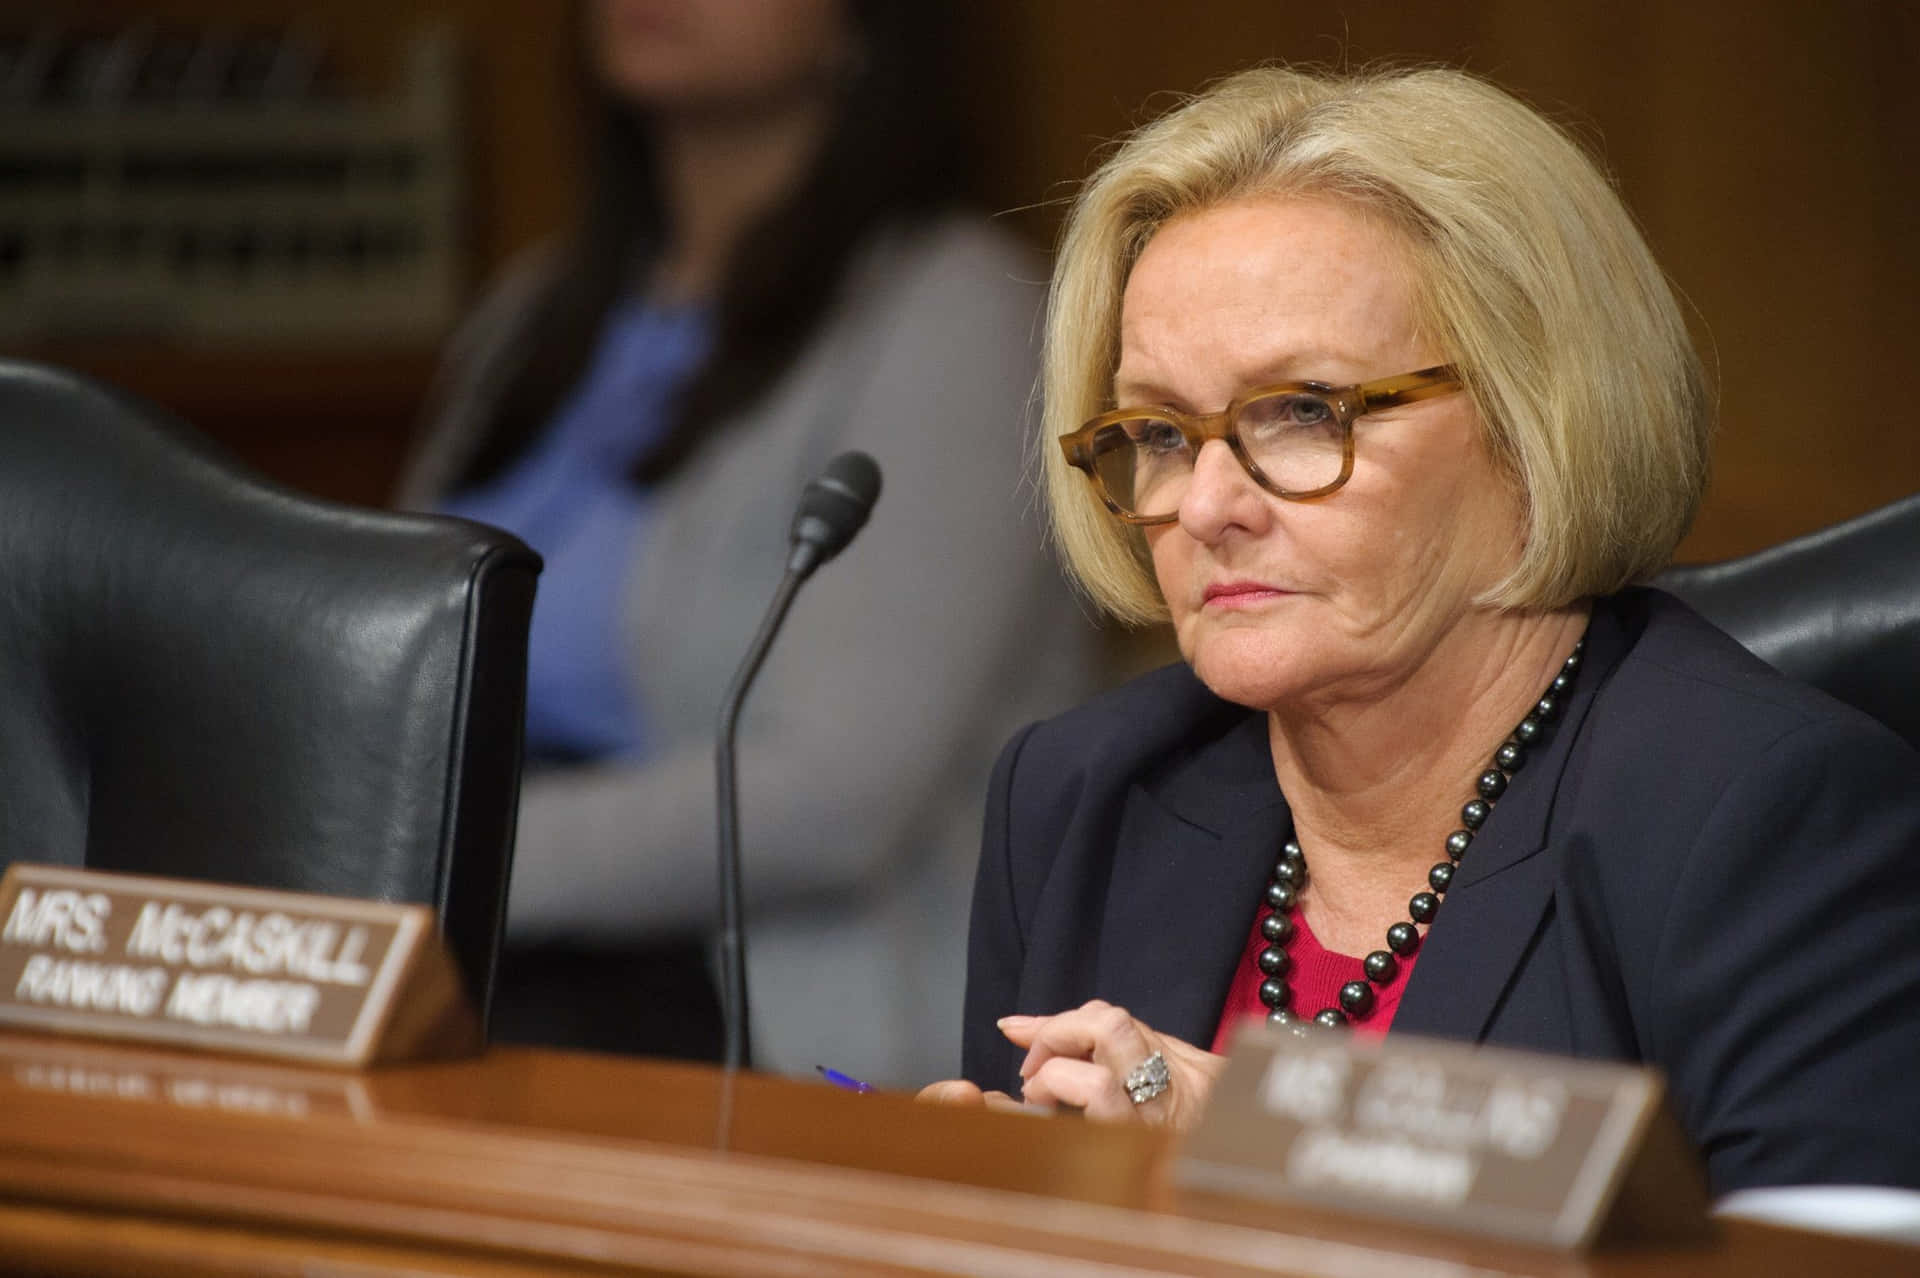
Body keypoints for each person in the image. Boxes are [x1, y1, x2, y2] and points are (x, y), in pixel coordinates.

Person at [923, 65, 1920, 1195]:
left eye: (1302, 412)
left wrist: (1261, 1141)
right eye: (1158, 431)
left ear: (1534, 419)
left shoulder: (1770, 821)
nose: (1206, 507)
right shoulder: (1083, 794)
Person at [399, 0, 1097, 1088]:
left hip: (757, 1016)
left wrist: (415, 849)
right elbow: (383, 669)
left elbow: (830, 797)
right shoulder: (528, 315)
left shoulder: (957, 314)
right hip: (463, 954)